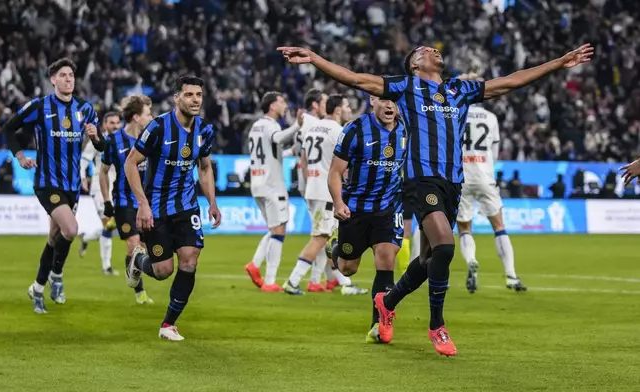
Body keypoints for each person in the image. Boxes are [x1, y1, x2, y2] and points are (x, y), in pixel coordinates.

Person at [278, 42, 593, 356]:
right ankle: (437, 326)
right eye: (425, 50)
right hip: (421, 181)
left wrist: (558, 62)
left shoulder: (460, 89)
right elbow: (356, 79)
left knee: (430, 260)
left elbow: (510, 81)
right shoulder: (406, 86)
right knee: (444, 245)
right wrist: (316, 58)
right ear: (415, 63)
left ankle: (387, 303)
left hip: (452, 185)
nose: (434, 51)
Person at [3, 57, 105, 314]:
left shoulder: (85, 109)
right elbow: (8, 129)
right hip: (48, 183)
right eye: (63, 75)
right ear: (53, 79)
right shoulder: (40, 106)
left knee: (54, 237)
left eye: (71, 75)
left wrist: (96, 137)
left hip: (71, 185)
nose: (68, 79)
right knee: (70, 229)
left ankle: (37, 289)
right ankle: (57, 276)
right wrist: (20, 156)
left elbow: (101, 146)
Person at [124, 76, 221, 341]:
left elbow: (204, 168)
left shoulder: (204, 130)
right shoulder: (157, 128)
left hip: (187, 205)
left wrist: (212, 201)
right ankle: (138, 260)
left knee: (190, 259)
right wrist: (142, 204)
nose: (195, 100)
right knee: (162, 271)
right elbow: (131, 164)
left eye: (199, 95)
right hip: (156, 208)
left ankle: (168, 324)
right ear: (176, 98)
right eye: (189, 95)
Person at [326, 96, 407, 342]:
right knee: (348, 268)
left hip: (389, 207)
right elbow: (335, 172)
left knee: (386, 259)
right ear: (372, 100)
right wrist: (339, 203)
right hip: (356, 209)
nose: (390, 105)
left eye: (395, 100)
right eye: (384, 99)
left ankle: (379, 325)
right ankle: (336, 249)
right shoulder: (355, 129)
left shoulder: (406, 129)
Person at [283, 95, 367, 296]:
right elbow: (346, 164)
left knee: (328, 235)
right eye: (347, 106)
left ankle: (344, 283)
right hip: (326, 190)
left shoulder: (313, 128)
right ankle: (293, 281)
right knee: (320, 237)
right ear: (338, 110)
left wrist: (309, 184)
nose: (349, 109)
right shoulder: (339, 131)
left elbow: (302, 159)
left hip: (313, 187)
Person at [455, 75, 526, 293]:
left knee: (464, 228)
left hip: (462, 176)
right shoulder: (491, 118)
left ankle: (471, 261)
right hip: (485, 175)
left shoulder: (456, 114)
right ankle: (511, 275)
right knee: (499, 226)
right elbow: (494, 153)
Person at [244, 92, 302, 292]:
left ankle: (254, 265)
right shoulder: (271, 125)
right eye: (281, 101)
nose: (285, 104)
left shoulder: (255, 126)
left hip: (258, 183)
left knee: (273, 228)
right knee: (279, 231)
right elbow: (277, 139)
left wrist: (289, 152)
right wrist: (297, 125)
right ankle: (269, 281)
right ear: (271, 106)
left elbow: (270, 150)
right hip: (272, 184)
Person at [100, 95, 154, 305]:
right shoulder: (114, 141)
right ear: (136, 117)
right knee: (133, 245)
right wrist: (106, 202)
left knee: (146, 249)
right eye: (148, 114)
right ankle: (139, 291)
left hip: (146, 203)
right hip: (123, 202)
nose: (151, 118)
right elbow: (103, 172)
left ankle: (133, 271)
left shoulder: (151, 138)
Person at [78, 111, 122, 275]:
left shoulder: (123, 140)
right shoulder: (97, 141)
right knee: (109, 224)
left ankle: (86, 237)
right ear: (104, 125)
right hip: (99, 185)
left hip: (118, 186)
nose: (115, 126)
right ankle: (107, 267)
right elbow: (83, 160)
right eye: (111, 123)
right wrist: (82, 177)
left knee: (113, 226)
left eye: (117, 123)